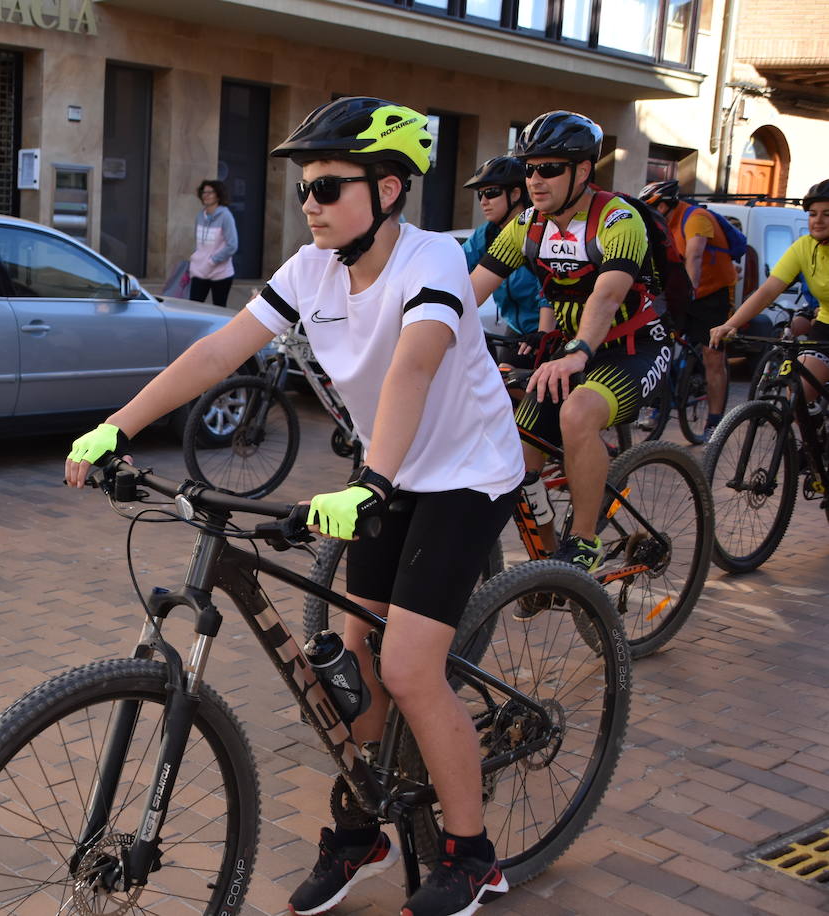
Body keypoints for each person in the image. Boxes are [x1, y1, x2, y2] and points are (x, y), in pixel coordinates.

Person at [65, 97, 522, 916]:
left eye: (328, 185)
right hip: (388, 474)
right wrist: (114, 427)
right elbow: (215, 351)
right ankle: (363, 833)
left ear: (388, 189)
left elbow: (415, 367)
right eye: (304, 185)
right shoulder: (311, 269)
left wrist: (370, 485)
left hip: (463, 473)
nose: (308, 201)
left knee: (409, 668)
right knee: (357, 659)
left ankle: (472, 854)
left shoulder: (433, 263)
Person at [470, 111, 672, 570]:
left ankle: (583, 543)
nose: (535, 180)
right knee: (517, 460)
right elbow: (470, 290)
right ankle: (547, 563)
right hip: (569, 350)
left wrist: (579, 352)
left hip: (634, 348)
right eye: (529, 168)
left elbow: (608, 294)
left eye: (549, 168)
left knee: (579, 413)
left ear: (583, 171)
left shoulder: (618, 220)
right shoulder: (527, 226)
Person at [711, 180, 829, 404]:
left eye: (827, 214)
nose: (818, 221)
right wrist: (732, 323)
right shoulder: (804, 247)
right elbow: (767, 291)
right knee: (797, 396)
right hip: (825, 325)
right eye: (813, 214)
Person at [638, 179, 739, 439]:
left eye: (653, 208)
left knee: (712, 356)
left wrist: (689, 295)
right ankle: (659, 404)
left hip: (713, 293)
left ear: (665, 204)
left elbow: (694, 257)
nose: (650, 214)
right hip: (684, 290)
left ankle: (715, 422)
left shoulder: (696, 218)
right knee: (657, 340)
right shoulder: (658, 224)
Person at [461, 156, 552, 370]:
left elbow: (549, 289)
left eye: (491, 193)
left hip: (547, 331)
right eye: (480, 195)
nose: (484, 201)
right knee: (500, 384)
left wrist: (545, 335)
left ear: (516, 194)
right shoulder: (488, 233)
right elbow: (457, 265)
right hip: (515, 331)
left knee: (536, 394)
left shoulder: (539, 230)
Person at [188, 179, 239, 306]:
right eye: (204, 192)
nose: (206, 195)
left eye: (210, 192)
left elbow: (232, 245)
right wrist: (196, 259)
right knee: (193, 308)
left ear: (218, 195)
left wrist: (212, 261)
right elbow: (199, 244)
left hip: (220, 273)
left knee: (219, 309)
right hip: (199, 271)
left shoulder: (225, 216)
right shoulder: (200, 216)